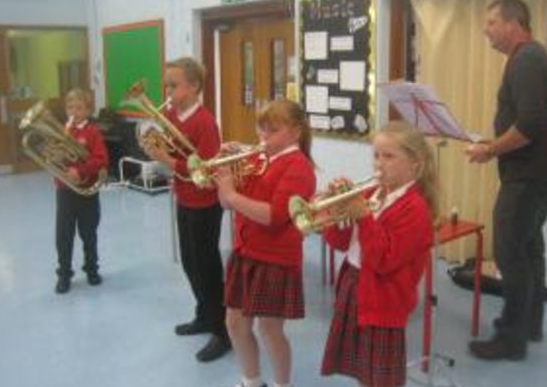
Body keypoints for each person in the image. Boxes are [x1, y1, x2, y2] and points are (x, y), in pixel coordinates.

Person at [464, 0, 547, 361]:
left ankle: (510, 339)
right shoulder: (533, 57)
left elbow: (530, 124)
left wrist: (489, 149)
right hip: (544, 172)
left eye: (492, 22)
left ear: (514, 24)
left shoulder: (525, 59)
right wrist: (492, 144)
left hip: (529, 176)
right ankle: (530, 326)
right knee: (528, 249)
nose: (485, 29)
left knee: (510, 252)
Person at [320, 120, 438, 387]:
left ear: (415, 164)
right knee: (364, 372)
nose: (379, 164)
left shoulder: (414, 209)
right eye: (376, 155)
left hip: (384, 298)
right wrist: (333, 211)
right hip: (354, 285)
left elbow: (384, 259)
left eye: (389, 156)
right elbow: (341, 243)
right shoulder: (373, 193)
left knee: (381, 379)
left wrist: (363, 217)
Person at [215, 99, 316, 387]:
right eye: (261, 131)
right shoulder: (260, 160)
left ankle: (283, 384)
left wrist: (233, 195)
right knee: (234, 323)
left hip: (275, 258)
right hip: (245, 252)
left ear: (296, 132)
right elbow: (226, 203)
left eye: (272, 131)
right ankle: (252, 381)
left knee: (269, 329)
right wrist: (226, 176)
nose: (263, 138)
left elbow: (273, 216)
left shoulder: (299, 167)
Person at [143, 57, 230, 362]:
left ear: (193, 87)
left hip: (205, 203)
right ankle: (204, 315)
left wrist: (167, 160)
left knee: (207, 267)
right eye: (167, 84)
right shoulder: (171, 113)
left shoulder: (205, 122)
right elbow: (167, 146)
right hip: (183, 197)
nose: (167, 91)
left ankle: (223, 331)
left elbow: (206, 173)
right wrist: (154, 147)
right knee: (190, 263)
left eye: (174, 85)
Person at [54, 88, 109, 294]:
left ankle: (92, 269)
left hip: (87, 190)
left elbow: (101, 160)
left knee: (88, 232)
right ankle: (64, 274)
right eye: (70, 107)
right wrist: (60, 157)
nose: (74, 112)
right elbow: (53, 158)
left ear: (88, 110)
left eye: (79, 108)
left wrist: (80, 170)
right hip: (65, 190)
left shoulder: (92, 133)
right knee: (63, 235)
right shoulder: (63, 131)